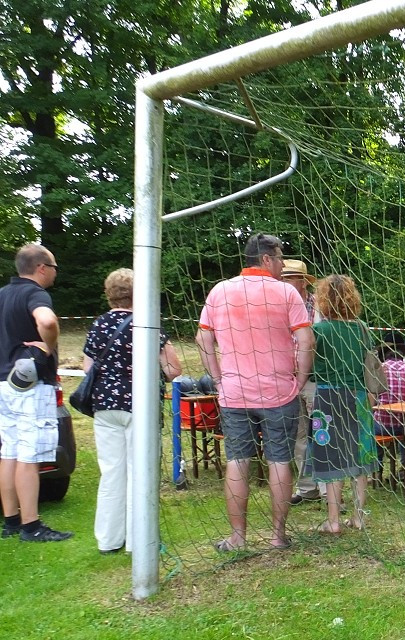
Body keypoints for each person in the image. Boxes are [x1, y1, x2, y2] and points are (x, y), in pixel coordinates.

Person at [196, 233, 314, 552]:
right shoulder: (287, 294)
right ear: (265, 259)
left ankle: (237, 536)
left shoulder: (220, 290)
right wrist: (300, 379)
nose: (281, 265)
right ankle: (278, 536)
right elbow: (306, 341)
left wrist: (218, 378)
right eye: (279, 259)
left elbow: (203, 339)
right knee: (279, 461)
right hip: (279, 392)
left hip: (234, 393)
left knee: (237, 461)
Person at [82, 269, 182, 554]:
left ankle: (109, 539)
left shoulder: (98, 325)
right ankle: (139, 538)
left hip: (105, 406)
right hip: (140, 406)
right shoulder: (147, 325)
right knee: (139, 471)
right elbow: (174, 369)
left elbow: (88, 369)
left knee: (111, 472)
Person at [0, 244, 73, 542]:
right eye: (54, 266)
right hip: (30, 385)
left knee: (9, 452)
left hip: (5, 383)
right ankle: (32, 526)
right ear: (41, 267)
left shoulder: (3, 294)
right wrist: (49, 345)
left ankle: (11, 520)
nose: (56, 272)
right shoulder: (36, 294)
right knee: (29, 455)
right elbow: (47, 321)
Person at [309, 274, 378, 534]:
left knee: (331, 457)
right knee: (359, 456)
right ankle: (359, 517)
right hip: (358, 397)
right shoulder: (361, 328)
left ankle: (334, 521)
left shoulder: (319, 330)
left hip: (327, 398)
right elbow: (368, 364)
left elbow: (308, 362)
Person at [281, 258, 323, 505]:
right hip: (287, 378)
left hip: (315, 379)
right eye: (282, 279)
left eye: (289, 279)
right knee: (298, 435)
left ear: (302, 281)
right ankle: (308, 488)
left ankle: (330, 492)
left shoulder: (319, 305)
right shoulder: (279, 304)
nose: (284, 283)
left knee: (321, 432)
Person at [373, 333, 405, 478]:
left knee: (370, 421)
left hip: (384, 426)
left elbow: (372, 400)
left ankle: (377, 469)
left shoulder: (379, 370)